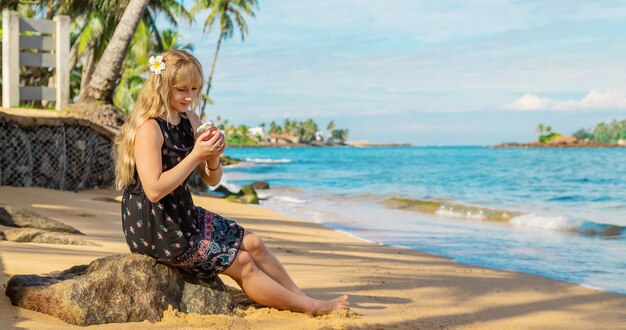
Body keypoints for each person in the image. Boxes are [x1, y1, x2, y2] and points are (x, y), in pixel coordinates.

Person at [113, 49, 349, 315]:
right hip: (156, 225)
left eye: (195, 88)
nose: (190, 96)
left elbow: (212, 180)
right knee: (244, 262)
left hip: (182, 213)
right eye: (182, 90)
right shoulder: (149, 128)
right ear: (162, 85)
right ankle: (311, 308)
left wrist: (213, 158)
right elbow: (154, 190)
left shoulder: (190, 120)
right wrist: (196, 155)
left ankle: (299, 298)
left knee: (255, 243)